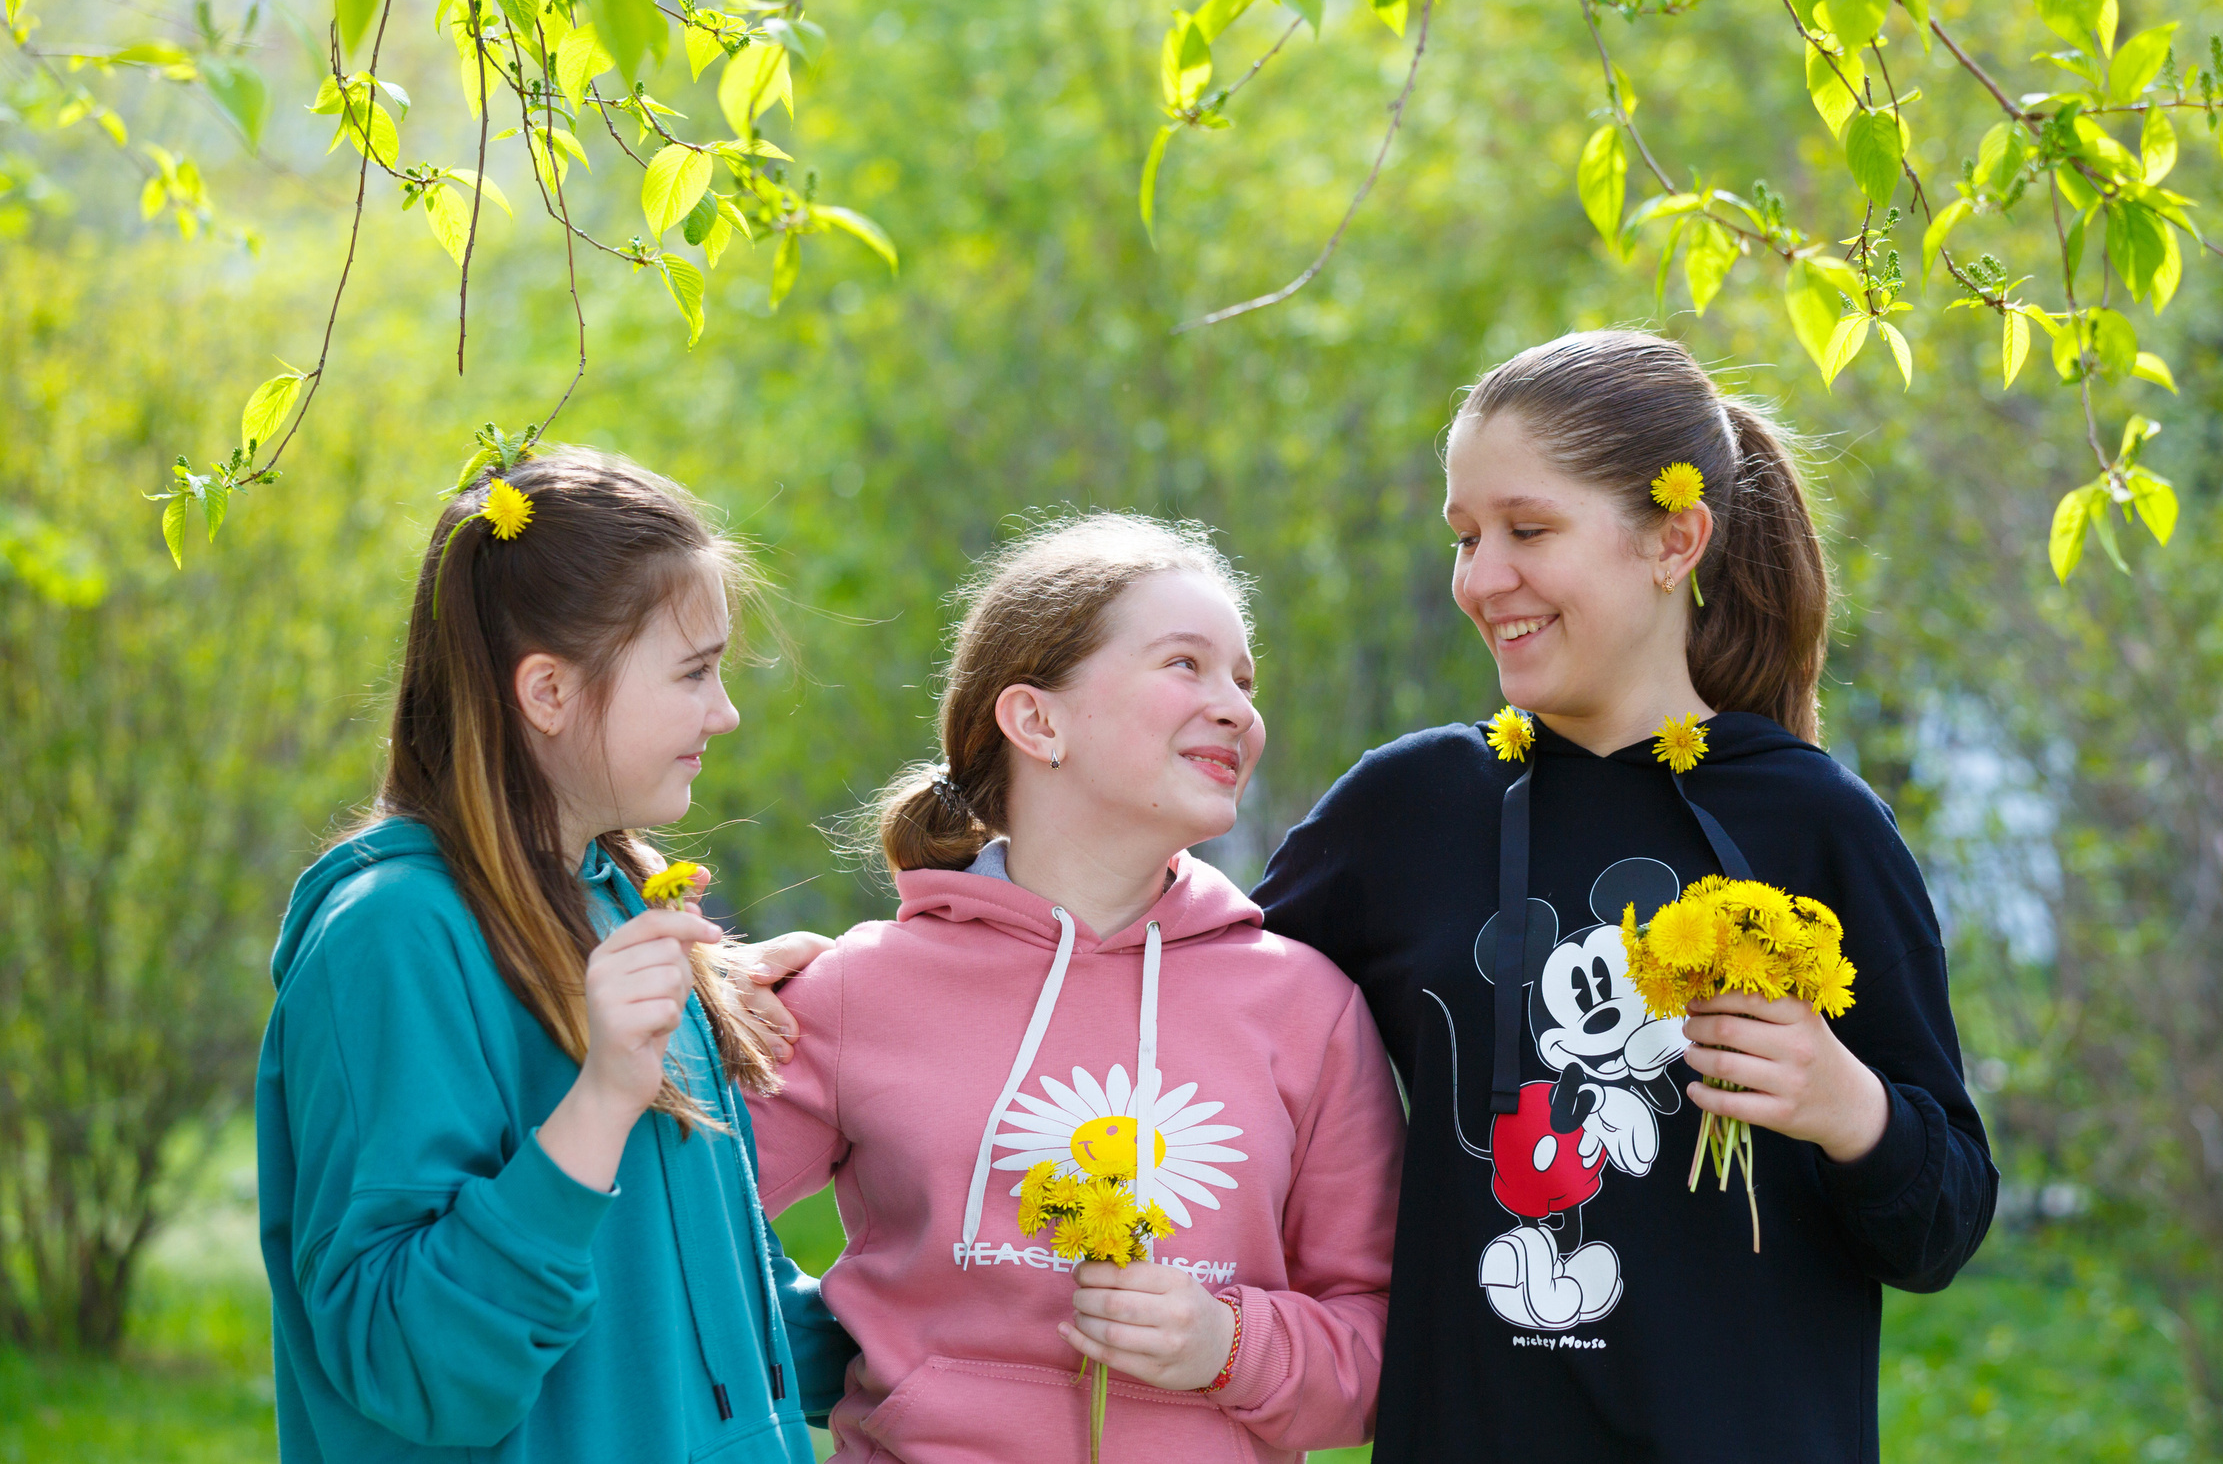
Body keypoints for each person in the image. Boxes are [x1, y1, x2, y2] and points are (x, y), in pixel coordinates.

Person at [1255, 330, 1998, 1462]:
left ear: (1672, 539)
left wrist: (1845, 1104)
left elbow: (1939, 1226)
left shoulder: (1813, 824)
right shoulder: (1403, 812)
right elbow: (1216, 1016)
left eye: (1527, 530)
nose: (1479, 578)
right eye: (1463, 538)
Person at [748, 514, 1404, 1464]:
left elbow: (1390, 1341)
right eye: (1186, 663)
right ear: (1036, 720)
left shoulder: (1309, 1007)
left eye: (1244, 681)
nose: (1237, 709)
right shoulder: (860, 986)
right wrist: (699, 1009)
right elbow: (669, 1214)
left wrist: (1230, 1346)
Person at [255, 447, 851, 1464]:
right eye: (694, 673)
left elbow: (702, 1314)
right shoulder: (390, 940)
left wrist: (959, 1332)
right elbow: (411, 1370)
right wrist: (602, 1099)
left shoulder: (621, 900)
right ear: (547, 691)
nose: (725, 712)